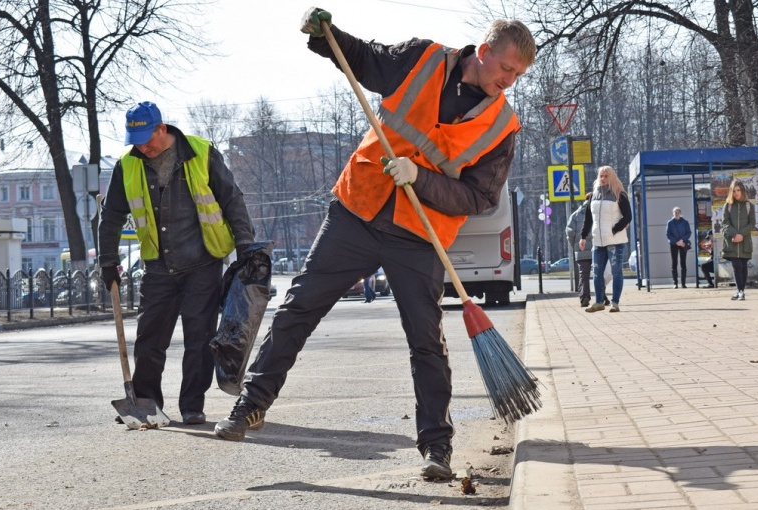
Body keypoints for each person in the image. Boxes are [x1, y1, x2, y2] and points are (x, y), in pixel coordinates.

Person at [213, 8, 536, 482]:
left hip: (419, 237)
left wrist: (420, 179)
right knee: (298, 309)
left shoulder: (502, 128)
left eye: (518, 75)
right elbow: (362, 58)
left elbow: (480, 197)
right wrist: (325, 34)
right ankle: (250, 407)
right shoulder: (422, 59)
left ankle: (437, 448)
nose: (509, 81)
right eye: (506, 68)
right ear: (483, 52)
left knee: (426, 342)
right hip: (357, 212)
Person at [98, 101, 255, 425]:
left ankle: (192, 405)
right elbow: (111, 216)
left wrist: (244, 243)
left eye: (147, 139)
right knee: (149, 340)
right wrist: (108, 260)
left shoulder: (201, 153)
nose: (143, 147)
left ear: (162, 128)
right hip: (158, 265)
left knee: (199, 339)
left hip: (202, 262)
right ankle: (146, 402)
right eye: (136, 141)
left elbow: (231, 198)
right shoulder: (127, 165)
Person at [580, 166, 632, 313]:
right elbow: (588, 218)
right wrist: (583, 236)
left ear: (611, 177)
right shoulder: (593, 196)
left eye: (605, 176)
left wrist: (614, 229)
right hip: (598, 241)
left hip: (615, 241)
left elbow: (628, 216)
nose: (602, 179)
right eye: (601, 176)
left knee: (616, 272)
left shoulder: (619, 194)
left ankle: (615, 302)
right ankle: (598, 302)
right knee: (596, 273)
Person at [721, 179, 755, 301]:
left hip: (745, 241)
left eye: (738, 190)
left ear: (742, 191)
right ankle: (740, 291)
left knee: (743, 265)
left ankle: (740, 291)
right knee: (736, 265)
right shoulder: (728, 206)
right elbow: (725, 223)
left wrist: (742, 234)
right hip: (732, 241)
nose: (736, 193)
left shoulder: (749, 205)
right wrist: (735, 234)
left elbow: (752, 223)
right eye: (734, 190)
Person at [566, 198, 592, 307]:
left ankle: (584, 297)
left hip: (581, 250)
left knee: (584, 275)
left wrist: (575, 246)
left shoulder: (575, 215)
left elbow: (570, 233)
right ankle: (603, 297)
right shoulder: (597, 211)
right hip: (597, 249)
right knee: (600, 274)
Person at [666, 206, 692, 288]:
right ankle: (675, 283)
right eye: (675, 212)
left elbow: (689, 232)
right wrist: (676, 242)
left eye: (678, 212)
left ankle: (683, 283)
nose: (676, 214)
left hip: (683, 244)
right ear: (673, 213)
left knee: (683, 262)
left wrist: (682, 241)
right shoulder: (670, 223)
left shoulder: (685, 222)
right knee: (674, 262)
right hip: (674, 244)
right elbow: (668, 234)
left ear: (680, 213)